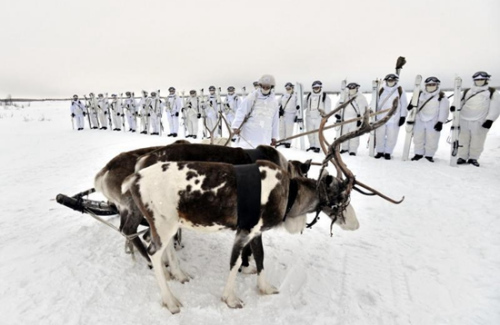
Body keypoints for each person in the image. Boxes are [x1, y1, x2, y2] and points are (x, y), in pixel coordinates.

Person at [456, 71, 500, 167]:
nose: (479, 81)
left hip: (480, 121)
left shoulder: (492, 92)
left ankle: (473, 157)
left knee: (477, 140)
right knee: (463, 139)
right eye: (477, 79)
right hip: (464, 119)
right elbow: (460, 102)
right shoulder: (468, 91)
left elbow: (495, 107)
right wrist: (454, 108)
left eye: (481, 79)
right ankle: (462, 156)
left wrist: (490, 119)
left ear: (486, 80)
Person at [231, 74, 279, 148]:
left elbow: (275, 121)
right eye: (263, 86)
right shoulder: (252, 97)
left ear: (271, 87)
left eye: (267, 87)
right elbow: (242, 111)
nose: (265, 88)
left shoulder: (274, 102)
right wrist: (236, 126)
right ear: (260, 85)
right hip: (249, 134)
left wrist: (274, 137)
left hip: (265, 135)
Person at [409, 77, 450, 162]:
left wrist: (440, 122)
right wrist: (411, 105)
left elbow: (444, 110)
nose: (431, 86)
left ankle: (429, 155)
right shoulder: (420, 94)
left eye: (433, 85)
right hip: (420, 118)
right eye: (429, 85)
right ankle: (418, 153)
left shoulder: (441, 96)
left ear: (437, 85)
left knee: (432, 138)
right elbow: (414, 104)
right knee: (418, 137)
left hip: (433, 120)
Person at [373, 73, 408, 160]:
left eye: (392, 80)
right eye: (389, 80)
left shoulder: (400, 90)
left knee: (391, 136)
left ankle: (388, 152)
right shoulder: (381, 90)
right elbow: (374, 102)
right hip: (381, 117)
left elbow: (404, 104)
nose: (390, 82)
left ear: (395, 81)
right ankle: (380, 151)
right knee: (380, 135)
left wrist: (403, 116)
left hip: (394, 117)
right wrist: (373, 112)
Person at [335, 82, 368, 155]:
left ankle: (353, 150)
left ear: (357, 88)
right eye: (350, 88)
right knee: (344, 135)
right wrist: (337, 114)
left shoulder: (361, 97)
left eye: (353, 87)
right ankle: (344, 148)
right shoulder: (345, 96)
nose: (352, 89)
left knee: (354, 136)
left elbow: (363, 110)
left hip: (355, 120)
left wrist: (361, 120)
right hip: (345, 120)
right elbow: (338, 105)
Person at [304, 80, 331, 153]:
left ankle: (317, 146)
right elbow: (303, 104)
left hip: (319, 117)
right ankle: (312, 145)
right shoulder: (309, 96)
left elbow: (328, 107)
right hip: (309, 117)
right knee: (309, 132)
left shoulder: (324, 96)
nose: (316, 88)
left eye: (317, 87)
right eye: (315, 87)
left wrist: (326, 117)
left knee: (317, 133)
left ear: (320, 87)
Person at [278, 82, 299, 148]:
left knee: (289, 129)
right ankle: (282, 141)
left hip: (291, 114)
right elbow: (277, 103)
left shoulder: (295, 96)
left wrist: (297, 115)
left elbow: (298, 107)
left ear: (292, 88)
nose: (288, 89)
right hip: (283, 114)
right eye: (287, 88)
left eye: (289, 88)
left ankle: (288, 142)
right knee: (281, 128)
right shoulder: (283, 95)